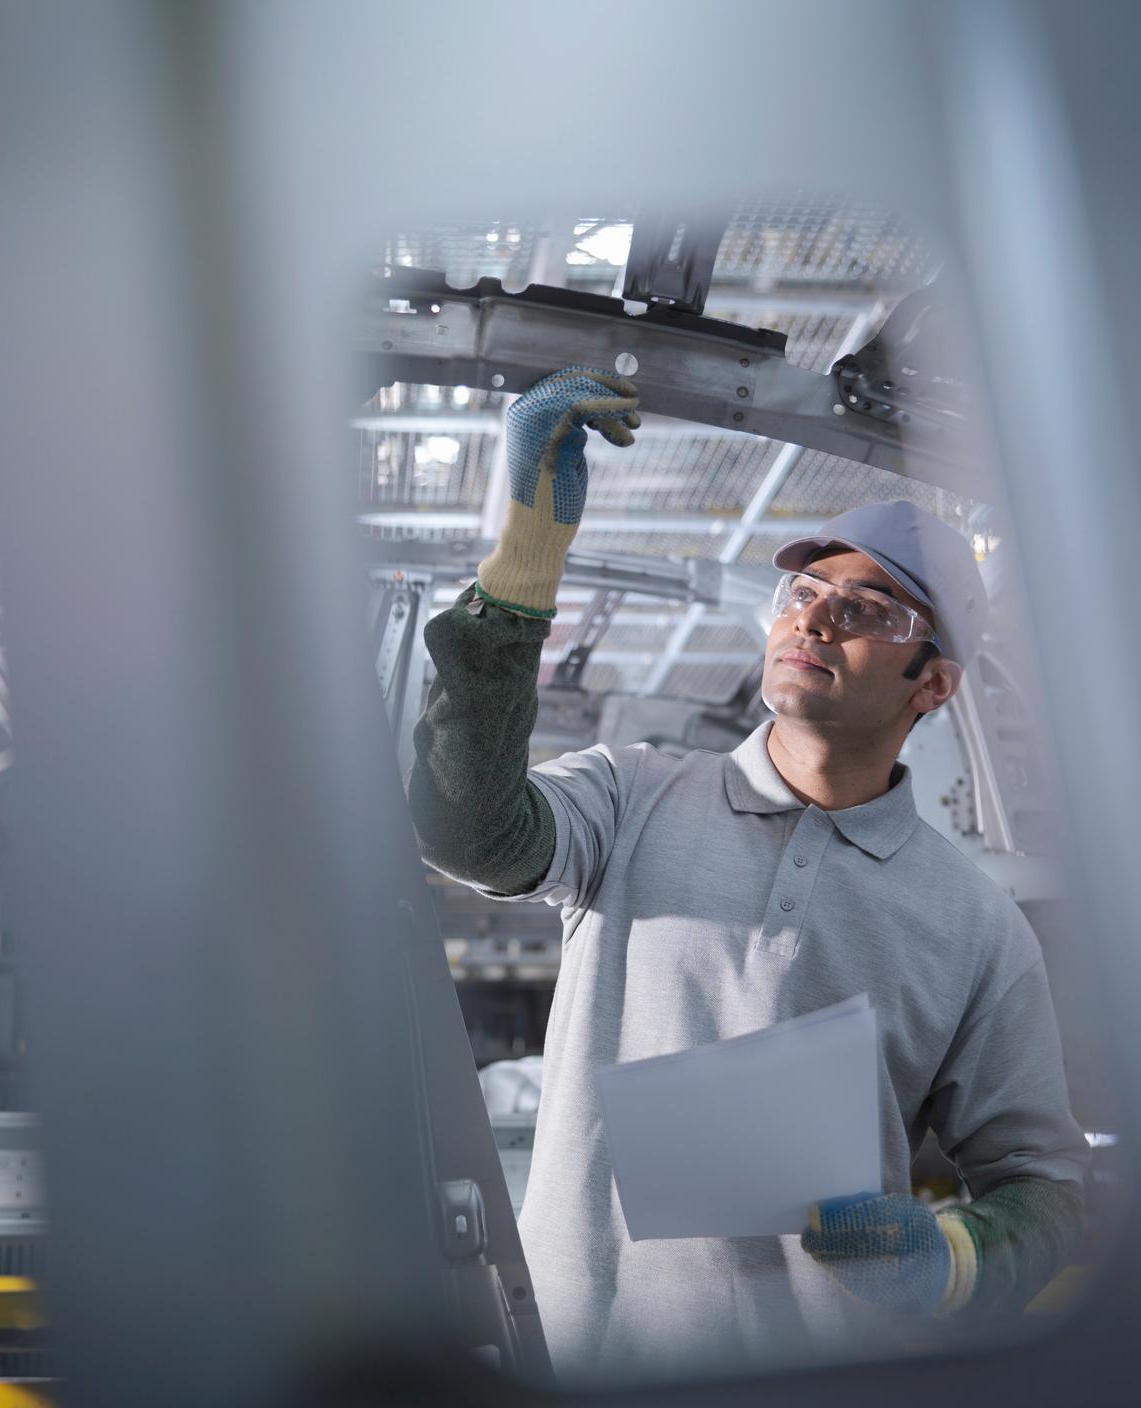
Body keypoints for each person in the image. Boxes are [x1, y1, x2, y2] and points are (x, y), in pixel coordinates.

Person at [407, 366, 1088, 1381]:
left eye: (868, 610)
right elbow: (468, 831)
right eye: (803, 593)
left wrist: (948, 1259)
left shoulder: (974, 924)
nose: (813, 621)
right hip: (575, 1361)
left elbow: (1046, 1188)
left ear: (933, 684)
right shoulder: (629, 795)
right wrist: (523, 560)